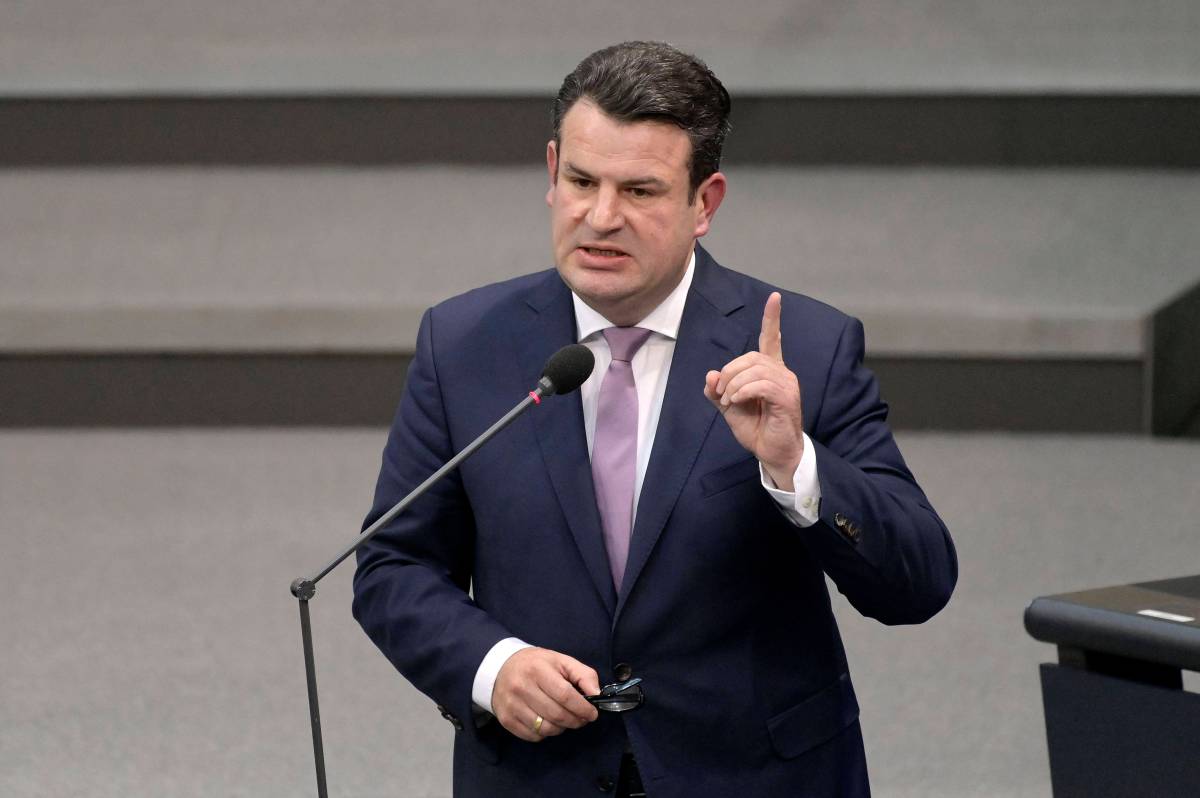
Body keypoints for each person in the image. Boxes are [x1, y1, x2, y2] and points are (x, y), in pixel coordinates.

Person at [353, 41, 957, 798]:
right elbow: (392, 567)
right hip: (544, 776)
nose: (600, 218)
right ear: (551, 174)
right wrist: (492, 665)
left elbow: (920, 582)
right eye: (580, 181)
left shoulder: (806, 347)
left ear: (704, 204)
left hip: (753, 778)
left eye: (639, 191)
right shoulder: (465, 343)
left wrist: (796, 464)